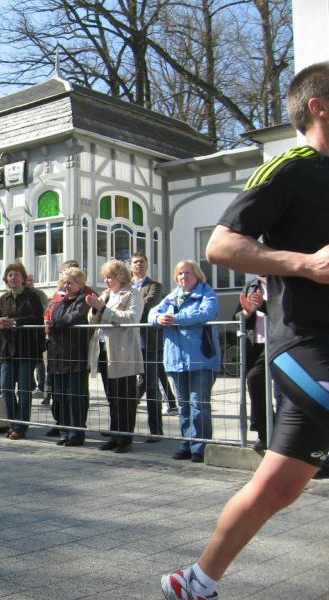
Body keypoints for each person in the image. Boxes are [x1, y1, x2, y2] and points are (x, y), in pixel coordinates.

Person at [160, 62, 329, 600]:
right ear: (319, 107)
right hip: (305, 345)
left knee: (277, 486)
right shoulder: (289, 169)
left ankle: (195, 580)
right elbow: (221, 246)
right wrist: (305, 264)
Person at [149, 260, 220, 464]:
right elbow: (152, 313)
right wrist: (158, 319)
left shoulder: (207, 293)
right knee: (183, 406)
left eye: (187, 272)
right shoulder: (172, 296)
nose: (183, 277)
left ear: (197, 274)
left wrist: (177, 319)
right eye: (180, 273)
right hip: (175, 359)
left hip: (201, 359)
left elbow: (207, 313)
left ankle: (200, 446)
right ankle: (186, 444)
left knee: (199, 405)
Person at [86, 259, 143, 453]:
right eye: (105, 277)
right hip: (104, 350)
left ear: (120, 276)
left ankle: (125, 438)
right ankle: (114, 434)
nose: (106, 281)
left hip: (123, 351)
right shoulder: (106, 294)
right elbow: (92, 320)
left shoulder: (132, 293)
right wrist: (95, 308)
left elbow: (132, 318)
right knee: (112, 397)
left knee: (124, 397)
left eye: (109, 277)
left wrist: (104, 309)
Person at [0, 262, 45, 440]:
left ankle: (21, 427)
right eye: (10, 275)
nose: (13, 278)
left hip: (26, 350)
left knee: (23, 390)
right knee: (6, 388)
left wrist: (15, 322)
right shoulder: (3, 298)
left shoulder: (32, 297)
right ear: (6, 279)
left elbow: (37, 318)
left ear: (23, 278)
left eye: (16, 274)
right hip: (7, 350)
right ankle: (14, 422)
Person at [131, 252, 177, 441]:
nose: (138, 265)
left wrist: (128, 307)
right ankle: (123, 427)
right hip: (129, 343)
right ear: (130, 266)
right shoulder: (127, 286)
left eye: (142, 261)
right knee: (134, 385)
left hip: (148, 343)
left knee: (151, 385)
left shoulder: (154, 286)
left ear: (147, 264)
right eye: (135, 262)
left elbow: (147, 306)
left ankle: (155, 430)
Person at [46, 267, 92, 446]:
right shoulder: (60, 301)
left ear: (79, 284)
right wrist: (54, 324)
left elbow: (75, 317)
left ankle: (76, 433)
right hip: (58, 355)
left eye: (70, 283)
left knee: (75, 397)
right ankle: (65, 432)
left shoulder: (83, 299)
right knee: (61, 396)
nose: (66, 286)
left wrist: (55, 324)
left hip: (75, 355)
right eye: (65, 282)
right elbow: (52, 318)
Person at [237, 276, 270, 451]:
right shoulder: (251, 285)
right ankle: (265, 432)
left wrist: (263, 305)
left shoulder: (283, 282)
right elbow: (236, 315)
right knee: (254, 382)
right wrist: (246, 313)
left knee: (281, 392)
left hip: (279, 341)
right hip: (255, 344)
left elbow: (290, 311)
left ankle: (274, 433)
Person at [26, 273, 50, 402]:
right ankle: (31, 386)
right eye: (27, 280)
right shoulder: (22, 294)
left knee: (38, 359)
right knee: (27, 360)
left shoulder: (40, 294)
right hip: (25, 334)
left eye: (31, 280)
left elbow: (46, 310)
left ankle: (40, 386)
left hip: (38, 332)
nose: (29, 282)